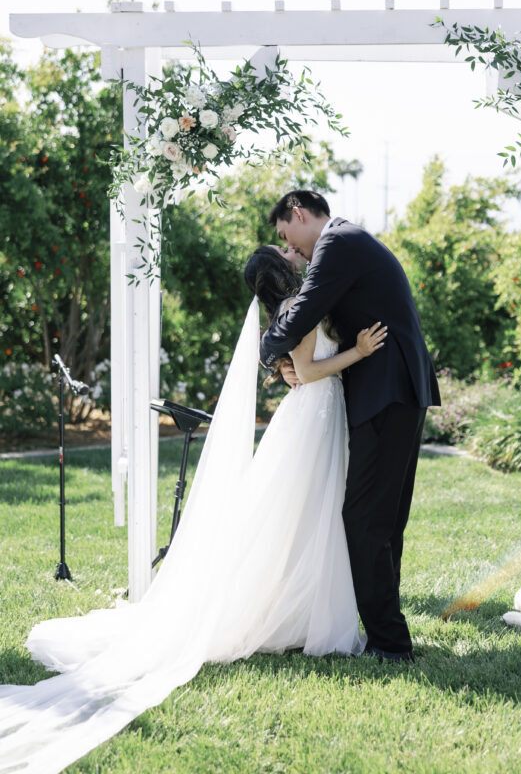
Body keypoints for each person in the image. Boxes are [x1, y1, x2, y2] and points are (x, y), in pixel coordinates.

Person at [0, 245, 385, 774]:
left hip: (319, 417)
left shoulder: (299, 305)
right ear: (280, 273)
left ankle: (302, 608)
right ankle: (293, 613)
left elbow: (299, 366)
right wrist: (358, 353)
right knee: (297, 513)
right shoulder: (297, 311)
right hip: (312, 418)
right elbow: (310, 371)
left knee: (310, 516)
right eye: (286, 257)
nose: (297, 259)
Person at [260, 190, 440, 662]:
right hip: (394, 390)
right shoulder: (346, 242)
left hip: (386, 391)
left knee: (364, 519)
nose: (291, 249)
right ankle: (388, 633)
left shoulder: (337, 243)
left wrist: (269, 353)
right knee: (383, 519)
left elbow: (301, 313)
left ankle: (390, 643)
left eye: (286, 235)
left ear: (298, 213)